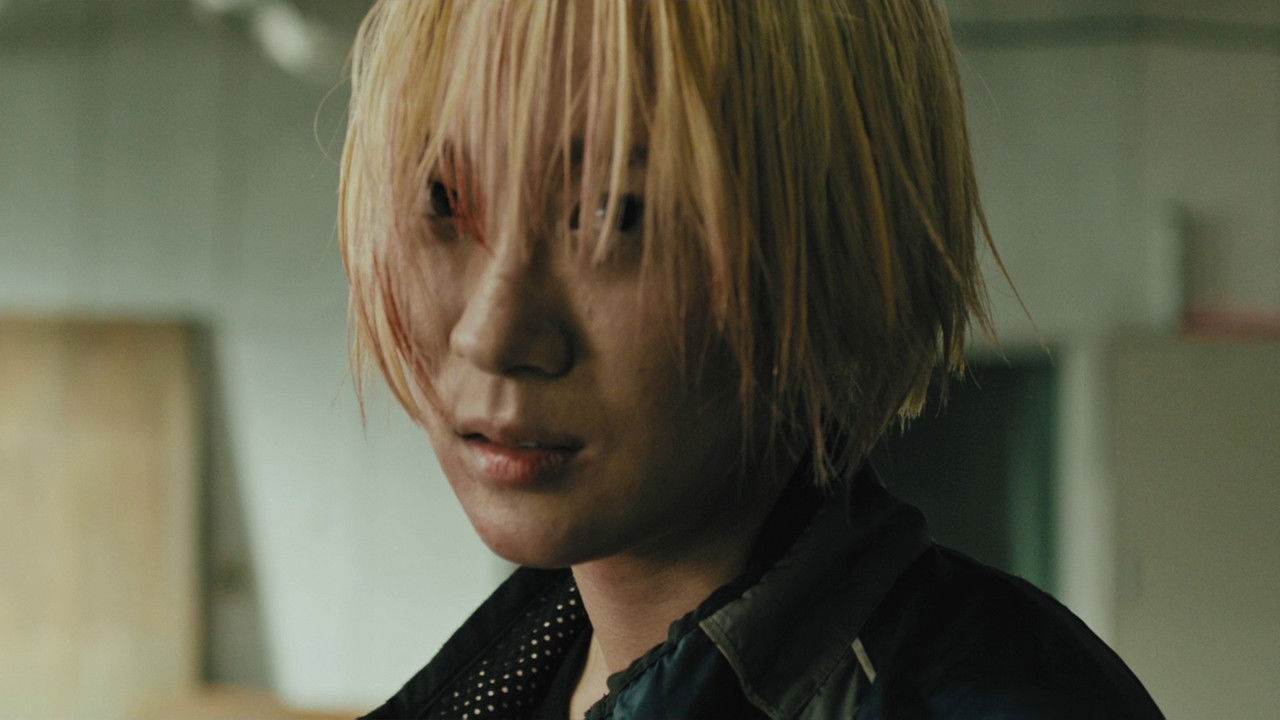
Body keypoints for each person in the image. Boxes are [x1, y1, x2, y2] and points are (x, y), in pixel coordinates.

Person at [338, 2, 1163, 718]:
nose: (491, 334)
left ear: (837, 240)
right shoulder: (509, 680)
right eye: (442, 198)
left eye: (619, 212)